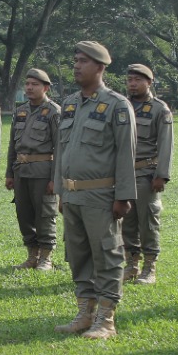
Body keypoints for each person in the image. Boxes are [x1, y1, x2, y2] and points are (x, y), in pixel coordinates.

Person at [53, 40, 137, 339]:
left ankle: (106, 318)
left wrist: (123, 196)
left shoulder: (117, 105)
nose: (76, 65)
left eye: (83, 61)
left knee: (106, 254)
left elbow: (126, 154)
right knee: (78, 254)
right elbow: (61, 150)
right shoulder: (71, 103)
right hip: (72, 193)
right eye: (75, 60)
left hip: (101, 194)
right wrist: (60, 190)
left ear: (100, 67)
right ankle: (84, 312)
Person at [122, 63, 174, 285]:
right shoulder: (121, 106)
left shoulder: (159, 109)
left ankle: (149, 267)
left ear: (149, 82)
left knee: (148, 222)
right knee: (126, 222)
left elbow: (166, 144)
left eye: (138, 80)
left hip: (145, 173)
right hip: (122, 175)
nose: (133, 84)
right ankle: (131, 264)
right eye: (130, 80)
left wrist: (161, 174)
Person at [5, 67, 59, 271]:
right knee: (24, 214)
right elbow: (12, 145)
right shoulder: (20, 111)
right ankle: (32, 255)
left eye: (34, 84)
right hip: (21, 171)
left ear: (45, 88)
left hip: (43, 171)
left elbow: (60, 148)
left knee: (45, 214)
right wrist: (9, 173)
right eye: (27, 84)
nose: (29, 88)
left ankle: (46, 257)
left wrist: (55, 178)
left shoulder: (54, 111)